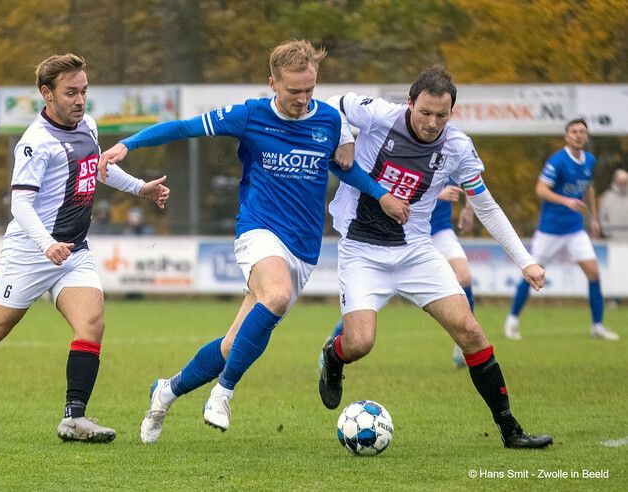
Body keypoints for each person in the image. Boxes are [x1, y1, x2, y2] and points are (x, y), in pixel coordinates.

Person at [98, 39, 408, 443]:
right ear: (272, 84)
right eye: (294, 91)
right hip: (258, 230)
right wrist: (128, 144)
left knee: (232, 345)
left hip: (303, 249)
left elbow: (339, 167)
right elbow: (183, 127)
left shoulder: (329, 122)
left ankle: (167, 391)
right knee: (275, 295)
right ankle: (223, 394)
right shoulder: (250, 115)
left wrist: (379, 193)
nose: (302, 99)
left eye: (309, 90)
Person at [0, 53, 170, 442]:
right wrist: (46, 245)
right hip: (31, 252)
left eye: (84, 91)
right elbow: (20, 205)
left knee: (91, 323)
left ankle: (74, 418)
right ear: (47, 94)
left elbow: (98, 170)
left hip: (73, 250)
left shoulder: (88, 126)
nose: (80, 100)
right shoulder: (34, 143)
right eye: (71, 93)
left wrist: (140, 188)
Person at [317, 66, 553, 449]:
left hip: (416, 252)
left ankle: (511, 431)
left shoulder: (457, 147)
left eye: (441, 115)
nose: (431, 123)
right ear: (409, 103)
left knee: (471, 332)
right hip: (362, 250)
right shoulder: (379, 114)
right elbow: (330, 105)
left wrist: (524, 260)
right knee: (359, 344)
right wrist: (344, 138)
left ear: (451, 113)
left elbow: (487, 207)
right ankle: (334, 356)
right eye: (424, 112)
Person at [322, 184, 477, 369]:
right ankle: (336, 340)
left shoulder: (453, 154)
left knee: (464, 277)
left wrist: (469, 209)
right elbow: (392, 189)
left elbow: (471, 179)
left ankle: (463, 347)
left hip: (439, 229)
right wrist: (437, 194)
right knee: (367, 306)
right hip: (407, 232)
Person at [504, 119, 619, 341]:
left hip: (575, 230)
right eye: (574, 132)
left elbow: (588, 188)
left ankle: (597, 325)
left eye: (582, 132)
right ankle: (512, 319)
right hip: (550, 231)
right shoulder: (557, 161)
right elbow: (540, 189)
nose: (578, 135)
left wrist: (594, 218)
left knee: (594, 273)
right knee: (532, 274)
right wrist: (566, 201)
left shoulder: (590, 160)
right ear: (567, 137)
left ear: (586, 137)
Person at [598, 168, 628, 240]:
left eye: (625, 182)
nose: (623, 184)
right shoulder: (606, 197)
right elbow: (602, 217)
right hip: (612, 239)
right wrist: (609, 233)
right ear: (615, 181)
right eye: (621, 181)